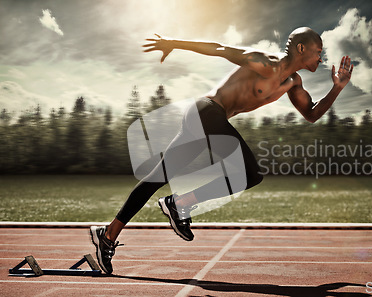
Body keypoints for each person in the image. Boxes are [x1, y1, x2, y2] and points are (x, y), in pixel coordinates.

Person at [90, 27, 353, 274]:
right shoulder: (266, 63)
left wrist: (337, 87)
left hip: (211, 120)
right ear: (300, 48)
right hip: (206, 111)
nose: (321, 58)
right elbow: (218, 48)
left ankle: (108, 235)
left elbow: (311, 114)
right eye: (318, 51)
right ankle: (179, 203)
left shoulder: (293, 83)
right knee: (251, 173)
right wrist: (173, 43)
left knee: (160, 177)